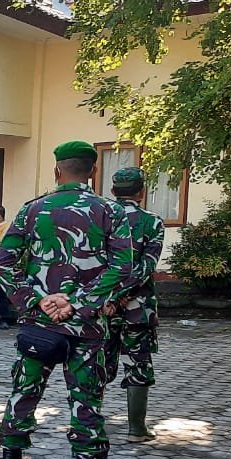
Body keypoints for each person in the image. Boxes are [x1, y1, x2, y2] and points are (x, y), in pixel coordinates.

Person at [0, 140, 136, 459]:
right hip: (86, 328)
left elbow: (4, 264)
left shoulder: (31, 210)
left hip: (39, 326)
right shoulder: (110, 211)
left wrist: (36, 300)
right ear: (93, 171)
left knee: (23, 393)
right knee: (85, 399)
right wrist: (79, 303)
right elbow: (124, 267)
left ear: (57, 170)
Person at [104, 167, 165, 443]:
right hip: (137, 308)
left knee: (94, 364)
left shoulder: (99, 216)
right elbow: (146, 266)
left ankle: (88, 423)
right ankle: (136, 429)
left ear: (113, 190)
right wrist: (124, 292)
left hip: (101, 307)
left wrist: (111, 294)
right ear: (141, 192)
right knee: (138, 364)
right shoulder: (152, 222)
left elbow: (92, 264)